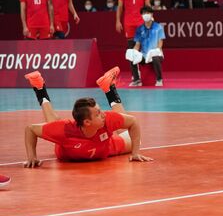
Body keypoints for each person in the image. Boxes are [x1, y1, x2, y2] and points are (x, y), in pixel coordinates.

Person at [23, 67, 153, 166]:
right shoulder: (66, 129)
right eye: (97, 113)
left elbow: (133, 122)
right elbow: (31, 129)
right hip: (67, 152)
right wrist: (32, 157)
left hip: (107, 149)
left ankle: (109, 89)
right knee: (53, 123)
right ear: (87, 122)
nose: (103, 114)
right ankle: (40, 88)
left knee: (135, 139)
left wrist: (135, 153)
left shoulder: (106, 119)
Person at [116, 0, 151, 86]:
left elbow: (148, 5)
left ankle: (148, 75)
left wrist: (150, 18)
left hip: (142, 23)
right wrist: (117, 21)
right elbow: (120, 7)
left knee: (144, 49)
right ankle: (136, 78)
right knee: (131, 51)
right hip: (128, 24)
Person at [126, 6, 166, 87]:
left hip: (156, 54)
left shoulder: (158, 27)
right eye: (144, 13)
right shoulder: (139, 29)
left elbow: (160, 42)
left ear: (151, 14)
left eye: (148, 13)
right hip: (144, 55)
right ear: (141, 15)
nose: (146, 15)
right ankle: (137, 80)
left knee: (155, 57)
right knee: (131, 55)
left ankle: (159, 79)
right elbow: (137, 45)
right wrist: (134, 52)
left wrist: (157, 50)